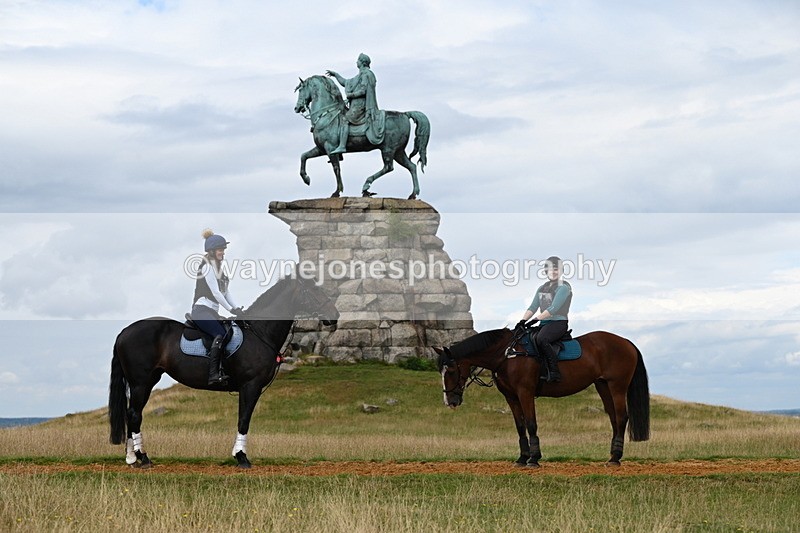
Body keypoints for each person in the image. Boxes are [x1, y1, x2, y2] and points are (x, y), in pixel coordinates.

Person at [191, 229, 243, 386]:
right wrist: (230, 309)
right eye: (221, 250)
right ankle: (213, 374)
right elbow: (216, 293)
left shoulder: (219, 269)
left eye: (223, 250)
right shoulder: (207, 267)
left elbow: (226, 292)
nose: (223, 253)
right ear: (212, 251)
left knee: (228, 332)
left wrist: (237, 308)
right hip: (201, 310)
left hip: (212, 311)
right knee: (220, 334)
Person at [516, 256, 572, 383]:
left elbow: (554, 308)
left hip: (558, 323)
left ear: (561, 271)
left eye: (556, 269)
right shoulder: (542, 288)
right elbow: (533, 306)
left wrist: (535, 320)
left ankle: (554, 372)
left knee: (542, 339)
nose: (553, 272)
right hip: (544, 323)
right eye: (551, 269)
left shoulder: (563, 287)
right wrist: (522, 321)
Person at [325, 52, 385, 153]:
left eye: (358, 60)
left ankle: (342, 146)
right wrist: (336, 75)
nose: (356, 62)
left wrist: (351, 95)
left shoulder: (367, 74)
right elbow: (346, 82)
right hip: (355, 105)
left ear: (362, 62)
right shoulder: (360, 75)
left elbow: (363, 90)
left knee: (344, 119)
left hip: (361, 106)